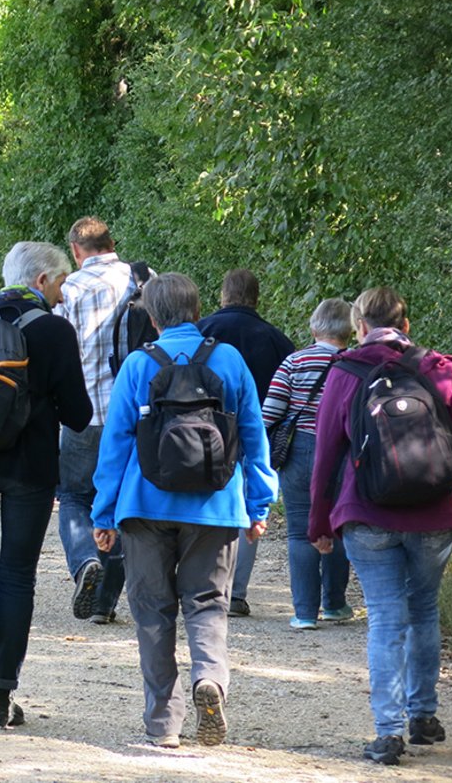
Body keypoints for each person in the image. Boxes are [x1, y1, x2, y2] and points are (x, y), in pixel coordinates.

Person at [92, 272, 276, 749]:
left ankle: (163, 724)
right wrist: (258, 504)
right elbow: (253, 435)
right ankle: (209, 678)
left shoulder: (138, 364)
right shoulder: (229, 360)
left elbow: (115, 444)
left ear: (152, 318)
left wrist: (103, 514)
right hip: (216, 506)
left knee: (152, 611)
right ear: (197, 312)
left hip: (144, 506)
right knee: (208, 602)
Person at [308, 287, 452, 766]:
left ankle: (388, 732)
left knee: (385, 618)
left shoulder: (345, 372)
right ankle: (423, 715)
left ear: (359, 327)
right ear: (406, 324)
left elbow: (325, 456)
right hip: (434, 513)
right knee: (423, 610)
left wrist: (319, 522)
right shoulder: (438, 368)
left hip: (367, 514)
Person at [0, 242, 91, 729]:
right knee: (16, 576)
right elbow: (78, 414)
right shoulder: (55, 330)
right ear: (42, 280)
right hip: (29, 468)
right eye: (62, 283)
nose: (63, 294)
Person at [53, 216, 140, 625]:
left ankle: (85, 560)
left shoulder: (68, 289)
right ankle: (104, 604)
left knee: (74, 496)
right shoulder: (143, 280)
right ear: (112, 243)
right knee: (120, 503)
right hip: (134, 412)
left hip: (83, 413)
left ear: (75, 250)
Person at [197, 268, 294, 616]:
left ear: (222, 295)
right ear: (256, 297)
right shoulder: (277, 340)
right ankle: (236, 592)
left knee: (203, 503)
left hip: (203, 432)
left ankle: (201, 583)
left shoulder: (201, 331)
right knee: (248, 507)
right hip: (256, 433)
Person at [260, 298, 354, 630]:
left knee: (300, 531)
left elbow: (270, 413)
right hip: (341, 450)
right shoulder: (354, 364)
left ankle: (304, 613)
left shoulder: (294, 362)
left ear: (314, 328)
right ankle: (334, 604)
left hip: (299, 449)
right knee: (339, 526)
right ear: (351, 331)